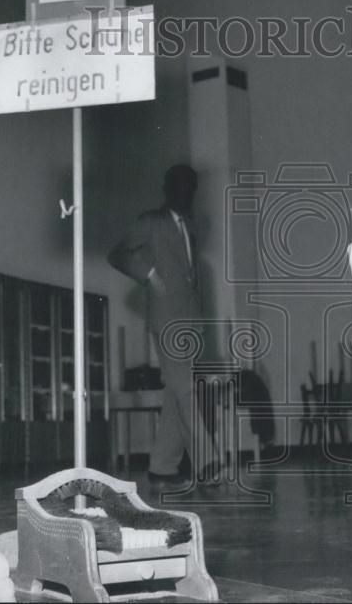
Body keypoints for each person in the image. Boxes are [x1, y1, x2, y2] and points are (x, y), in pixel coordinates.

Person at [107, 164, 220, 488]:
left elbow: (191, 279)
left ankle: (162, 466)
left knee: (176, 391)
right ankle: (208, 461)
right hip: (166, 319)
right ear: (168, 190)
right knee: (185, 389)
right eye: (182, 188)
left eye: (192, 189)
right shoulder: (150, 222)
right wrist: (149, 274)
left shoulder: (191, 227)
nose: (187, 194)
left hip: (189, 322)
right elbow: (116, 254)